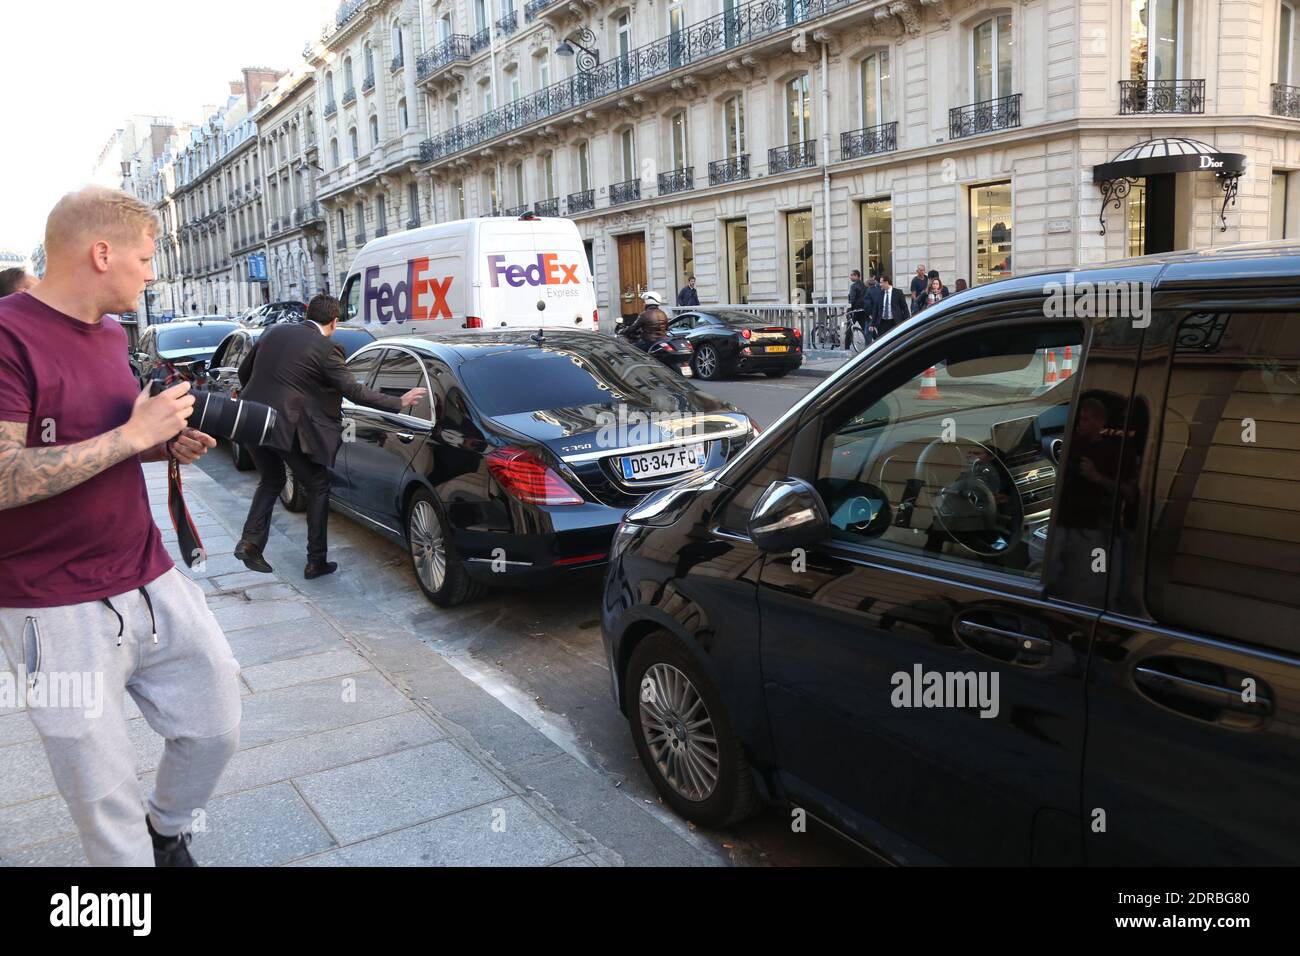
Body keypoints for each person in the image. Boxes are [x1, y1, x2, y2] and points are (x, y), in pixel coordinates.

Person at [0, 185, 237, 867]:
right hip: (48, 605)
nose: (151, 273)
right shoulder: (7, 335)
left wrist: (162, 442)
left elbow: (106, 437)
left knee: (216, 723)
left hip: (149, 575)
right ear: (102, 253)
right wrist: (134, 437)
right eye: (143, 257)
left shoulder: (111, 335)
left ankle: (166, 826)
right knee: (101, 794)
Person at [234, 294, 426, 579]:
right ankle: (316, 561)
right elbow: (354, 391)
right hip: (284, 425)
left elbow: (243, 371)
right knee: (318, 484)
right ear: (334, 322)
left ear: (308, 313)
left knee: (272, 480)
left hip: (250, 418)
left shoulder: (274, 332)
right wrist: (399, 402)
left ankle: (250, 543)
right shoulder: (326, 349)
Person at [844, 269, 869, 348]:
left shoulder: (853, 286)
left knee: (849, 330)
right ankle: (873, 342)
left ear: (856, 276)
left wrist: (848, 311)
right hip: (862, 310)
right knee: (866, 328)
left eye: (851, 275)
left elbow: (852, 300)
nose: (850, 277)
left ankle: (846, 347)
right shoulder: (864, 285)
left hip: (854, 311)